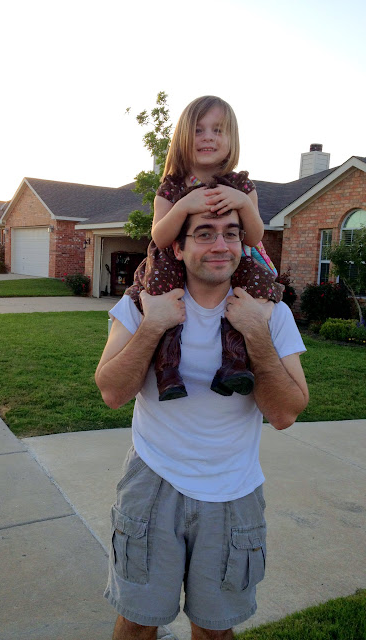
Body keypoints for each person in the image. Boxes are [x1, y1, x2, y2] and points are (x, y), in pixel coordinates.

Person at [95, 207, 309, 640]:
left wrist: (255, 332)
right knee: (137, 622)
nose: (220, 246)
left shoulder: (271, 313)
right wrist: (154, 324)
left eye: (231, 234)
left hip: (234, 491)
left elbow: (285, 413)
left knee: (215, 630)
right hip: (153, 482)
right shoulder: (140, 303)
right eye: (205, 234)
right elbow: (112, 393)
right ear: (178, 246)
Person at [125, 96, 283, 402]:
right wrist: (183, 206)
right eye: (198, 130)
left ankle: (234, 363)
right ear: (183, 137)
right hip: (177, 257)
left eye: (217, 130)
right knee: (159, 287)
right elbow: (160, 237)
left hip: (231, 256)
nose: (208, 137)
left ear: (231, 139)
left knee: (258, 284)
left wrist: (242, 203)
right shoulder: (172, 186)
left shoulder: (241, 186)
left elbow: (253, 237)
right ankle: (167, 368)